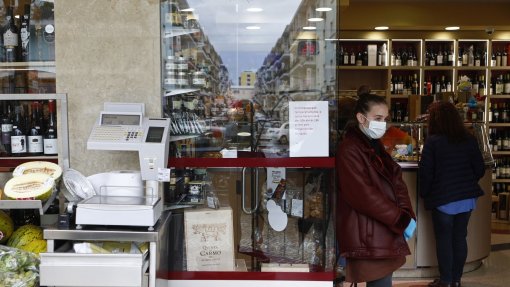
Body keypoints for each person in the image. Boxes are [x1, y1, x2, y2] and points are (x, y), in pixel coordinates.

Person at [336, 93, 416, 287]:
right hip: (369, 233)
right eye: (377, 118)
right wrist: (400, 219)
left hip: (379, 230)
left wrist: (407, 213)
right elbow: (363, 195)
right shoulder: (350, 149)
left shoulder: (373, 146)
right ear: (361, 118)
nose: (383, 124)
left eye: (385, 119)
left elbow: (396, 181)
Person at [419, 101, 485, 287]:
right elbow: (479, 169)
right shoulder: (469, 139)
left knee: (444, 240)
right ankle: (456, 280)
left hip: (443, 199)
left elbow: (426, 172)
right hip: (466, 198)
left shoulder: (433, 142)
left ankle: (446, 281)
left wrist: (425, 194)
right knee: (459, 237)